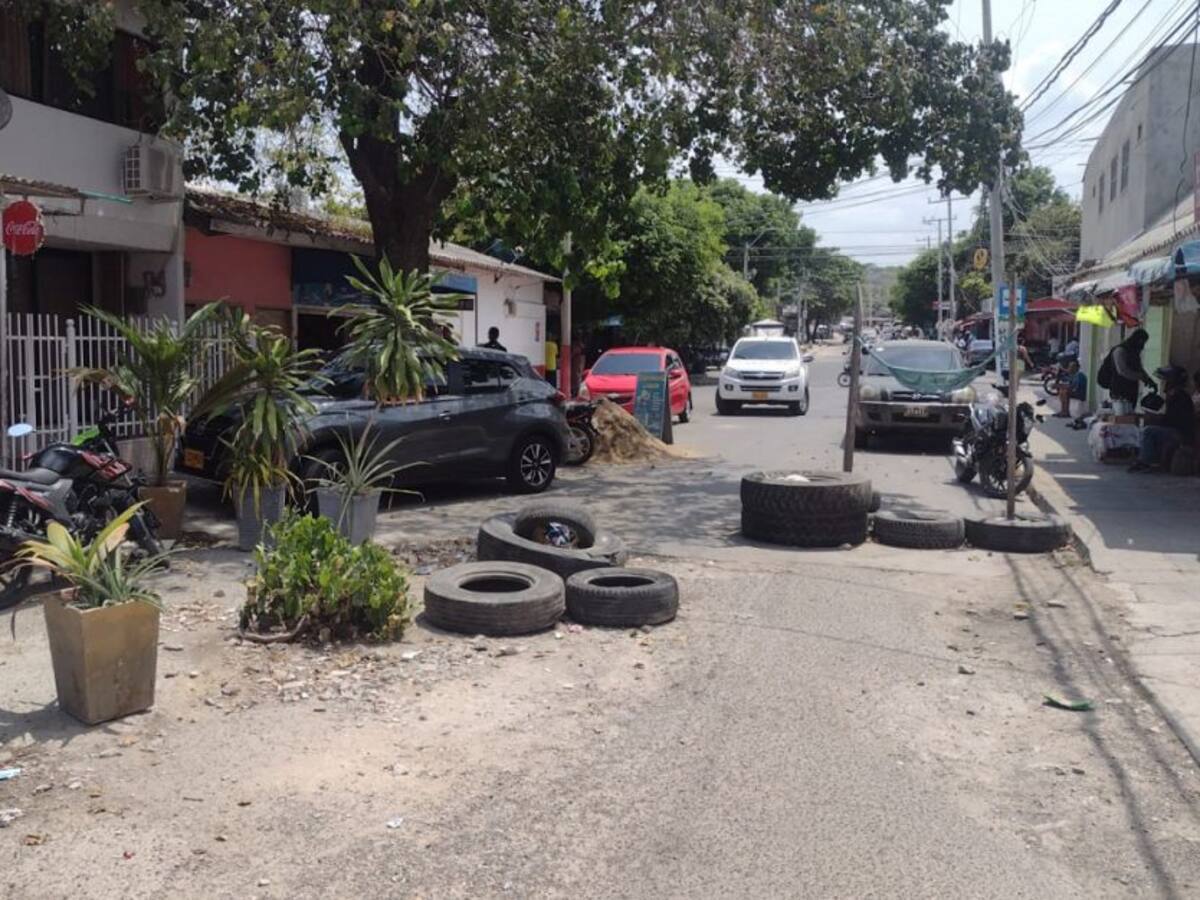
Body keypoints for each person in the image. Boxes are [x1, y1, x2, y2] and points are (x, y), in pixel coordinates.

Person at [1129, 367, 1193, 472]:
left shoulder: (1180, 396)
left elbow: (1173, 420)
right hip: (1175, 430)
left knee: (1148, 431)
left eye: (1167, 381)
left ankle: (1147, 461)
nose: (1165, 384)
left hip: (1180, 433)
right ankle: (1149, 458)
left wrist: (1156, 418)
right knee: (1149, 429)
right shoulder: (1176, 395)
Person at [1100, 328, 1154, 414]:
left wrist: (1148, 379)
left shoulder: (1134, 352)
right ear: (1137, 339)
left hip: (1131, 389)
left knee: (1129, 414)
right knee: (1121, 416)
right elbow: (1122, 370)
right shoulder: (1120, 350)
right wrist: (1140, 376)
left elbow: (1139, 368)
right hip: (1119, 389)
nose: (1143, 345)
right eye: (1142, 342)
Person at [1056, 360, 1088, 429]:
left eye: (1071, 367)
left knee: (1064, 392)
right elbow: (1069, 384)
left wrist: (1060, 386)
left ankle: (1066, 412)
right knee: (1062, 391)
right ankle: (1063, 411)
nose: (1069, 368)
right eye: (1069, 367)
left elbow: (1073, 387)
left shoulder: (1079, 375)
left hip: (1081, 394)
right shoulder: (1074, 375)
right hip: (1076, 391)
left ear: (1076, 368)